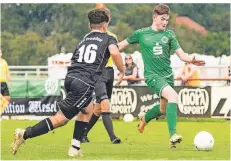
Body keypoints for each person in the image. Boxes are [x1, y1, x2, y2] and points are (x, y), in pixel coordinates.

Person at [11, 8, 124, 156]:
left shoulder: (84, 39)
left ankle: (75, 148)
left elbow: (74, 59)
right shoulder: (109, 38)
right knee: (61, 119)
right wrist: (122, 70)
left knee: (87, 109)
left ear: (90, 26)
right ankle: (25, 133)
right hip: (84, 83)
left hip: (71, 78)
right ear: (105, 25)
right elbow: (115, 52)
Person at [118, 4, 205, 148]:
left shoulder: (169, 34)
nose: (165, 22)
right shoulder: (141, 33)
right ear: (154, 17)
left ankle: (144, 119)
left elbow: (182, 55)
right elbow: (120, 45)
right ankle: (173, 136)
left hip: (168, 76)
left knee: (163, 109)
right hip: (152, 75)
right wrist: (106, 47)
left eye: (167, 20)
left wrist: (191, 59)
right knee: (173, 97)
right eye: (162, 19)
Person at [70, 7, 122, 153]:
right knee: (105, 104)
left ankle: (84, 134)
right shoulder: (92, 37)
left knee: (98, 108)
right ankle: (113, 137)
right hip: (98, 73)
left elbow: (115, 51)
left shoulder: (112, 36)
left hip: (109, 72)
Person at [0, 48, 11, 115]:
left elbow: (7, 72)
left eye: (1, 52)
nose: (0, 53)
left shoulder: (4, 61)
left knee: (7, 98)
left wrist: (10, 81)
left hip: (4, 83)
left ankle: (0, 112)